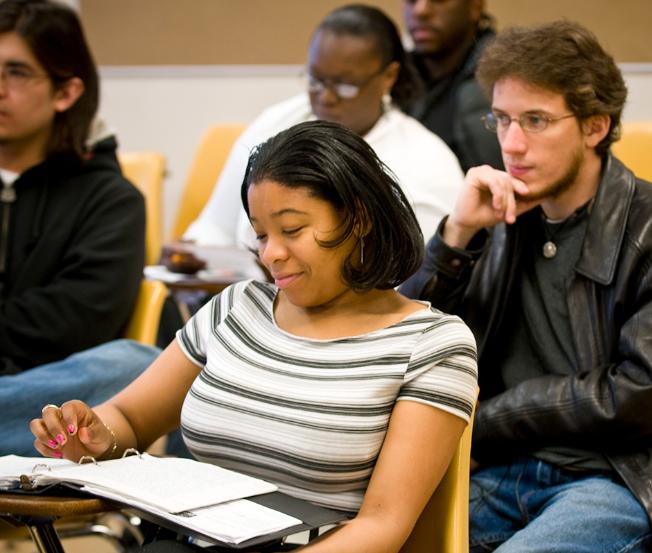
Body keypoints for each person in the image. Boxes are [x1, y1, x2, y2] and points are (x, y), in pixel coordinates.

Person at [400, 20, 652, 553]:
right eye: (502, 119)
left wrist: (491, 421)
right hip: (510, 473)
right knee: (381, 536)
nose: (511, 143)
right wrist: (457, 237)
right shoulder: (500, 219)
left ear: (595, 126)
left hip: (630, 480)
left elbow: (645, 399)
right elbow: (405, 340)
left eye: (535, 121)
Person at [31, 120, 480, 553]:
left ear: (358, 218)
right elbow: (129, 417)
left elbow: (384, 526)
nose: (272, 254)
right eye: (262, 234)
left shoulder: (431, 345)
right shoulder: (238, 307)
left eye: (292, 230)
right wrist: (93, 436)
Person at [0, 0, 157, 456]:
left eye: (16, 72)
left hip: (41, 395)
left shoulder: (111, 200)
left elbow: (77, 320)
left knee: (134, 364)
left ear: (66, 92)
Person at [184, 3, 463, 248]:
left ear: (389, 76)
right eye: (315, 80)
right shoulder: (275, 124)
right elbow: (215, 229)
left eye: (345, 85)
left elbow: (418, 280)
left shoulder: (427, 163)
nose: (326, 98)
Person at [403, 0, 502, 171]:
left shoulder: (505, 77)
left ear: (475, 7)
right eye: (411, 1)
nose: (420, 11)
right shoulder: (394, 75)